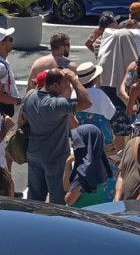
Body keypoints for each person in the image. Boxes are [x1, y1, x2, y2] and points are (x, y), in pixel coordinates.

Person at [23, 68, 92, 204]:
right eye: (65, 85)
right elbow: (87, 102)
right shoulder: (56, 104)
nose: (68, 88)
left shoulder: (29, 96)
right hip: (55, 158)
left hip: (34, 154)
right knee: (57, 201)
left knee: (34, 199)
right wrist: (73, 78)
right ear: (54, 86)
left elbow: (23, 119)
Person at [63, 124, 113, 207]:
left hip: (79, 216)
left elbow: (69, 200)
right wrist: (68, 164)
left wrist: (68, 164)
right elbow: (66, 187)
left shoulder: (84, 172)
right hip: (94, 213)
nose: (73, 143)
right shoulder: (101, 163)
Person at [73, 62, 116, 149]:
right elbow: (111, 112)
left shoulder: (74, 93)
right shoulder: (99, 93)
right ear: (94, 79)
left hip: (80, 133)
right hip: (100, 132)